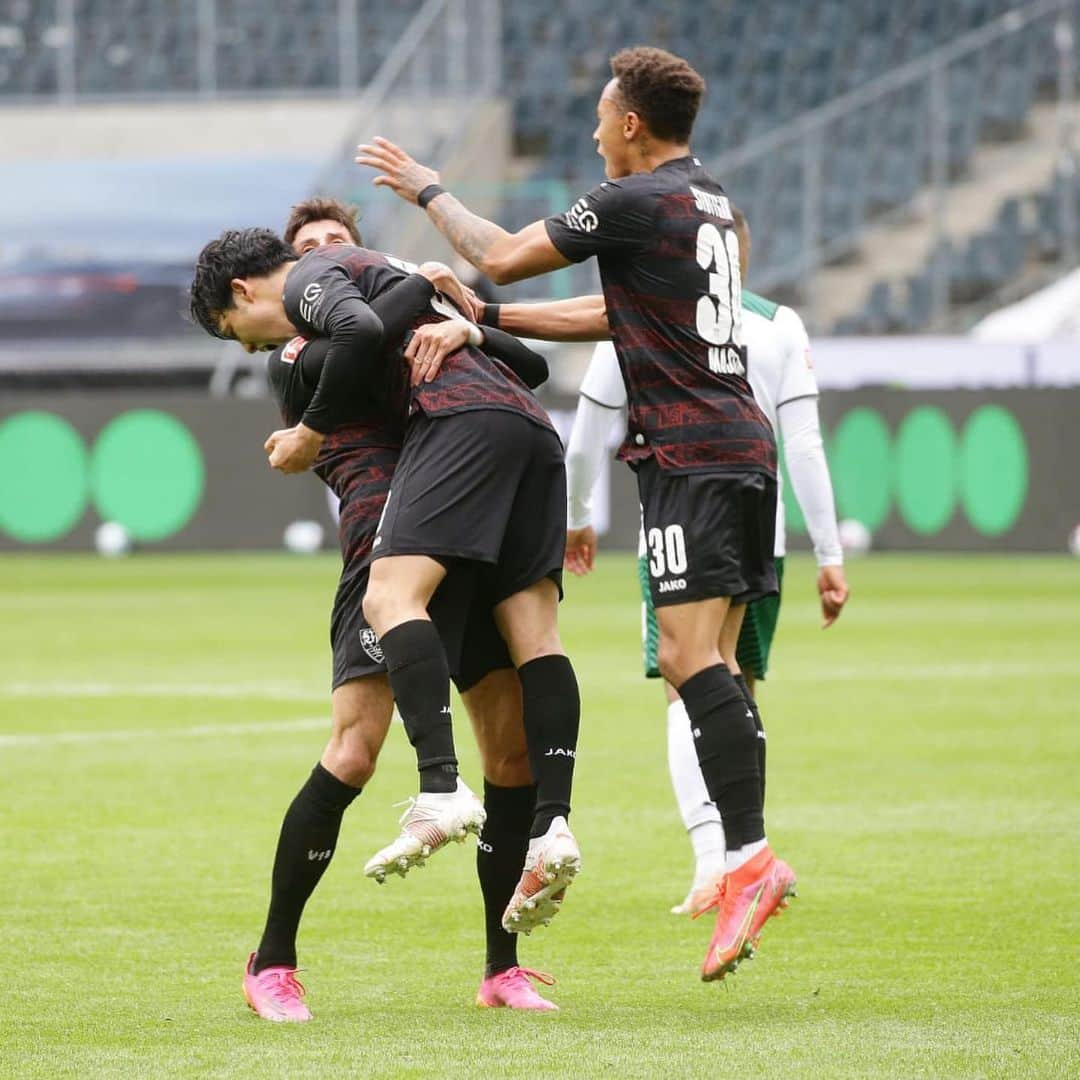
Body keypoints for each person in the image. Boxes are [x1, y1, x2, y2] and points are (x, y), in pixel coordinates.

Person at [357, 45, 794, 982]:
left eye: (602, 117)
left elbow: (505, 255)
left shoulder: (634, 198)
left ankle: (751, 859)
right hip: (742, 444)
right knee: (709, 660)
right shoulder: (709, 200)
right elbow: (618, 312)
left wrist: (431, 192)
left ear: (631, 124)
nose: (595, 132)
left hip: (689, 450)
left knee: (684, 660)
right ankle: (742, 859)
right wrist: (492, 324)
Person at [188, 224, 583, 948]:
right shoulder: (300, 355)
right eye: (314, 242)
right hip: (399, 522)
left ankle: (504, 917)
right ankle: (274, 957)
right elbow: (366, 332)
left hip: (456, 505)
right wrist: (423, 290)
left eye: (341, 244)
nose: (329, 254)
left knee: (508, 742)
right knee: (355, 749)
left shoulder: (325, 287)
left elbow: (397, 331)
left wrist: (459, 324)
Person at [561, 209, 850, 916]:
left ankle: (713, 863)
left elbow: (584, 436)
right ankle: (744, 851)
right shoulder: (780, 322)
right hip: (762, 526)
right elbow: (803, 447)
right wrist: (831, 553)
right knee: (734, 687)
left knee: (686, 681)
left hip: (682, 518)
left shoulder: (643, 316)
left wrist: (576, 519)